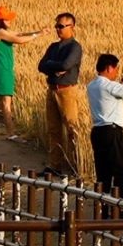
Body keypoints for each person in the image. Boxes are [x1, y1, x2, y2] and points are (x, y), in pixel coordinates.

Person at [36, 12, 87, 178]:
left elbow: (66, 64)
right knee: (53, 129)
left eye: (61, 26)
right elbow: (41, 66)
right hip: (52, 89)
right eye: (56, 26)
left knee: (72, 128)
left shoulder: (75, 47)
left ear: (72, 27)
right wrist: (55, 66)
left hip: (67, 91)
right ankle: (55, 165)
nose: (57, 29)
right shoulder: (53, 47)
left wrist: (53, 65)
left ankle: (75, 166)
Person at [87, 53, 123, 197]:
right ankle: (119, 209)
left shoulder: (92, 85)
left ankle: (103, 210)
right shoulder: (108, 86)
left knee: (103, 173)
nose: (117, 72)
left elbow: (114, 92)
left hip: (98, 132)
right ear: (109, 68)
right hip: (112, 132)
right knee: (121, 172)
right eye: (116, 69)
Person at [0, 5, 44, 141]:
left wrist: (38, 32)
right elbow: (20, 40)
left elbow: (19, 34)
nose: (11, 21)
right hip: (2, 71)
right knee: (5, 102)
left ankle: (7, 132)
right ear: (1, 21)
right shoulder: (0, 32)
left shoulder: (0, 31)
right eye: (8, 19)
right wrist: (36, 35)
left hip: (1, 70)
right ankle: (11, 133)